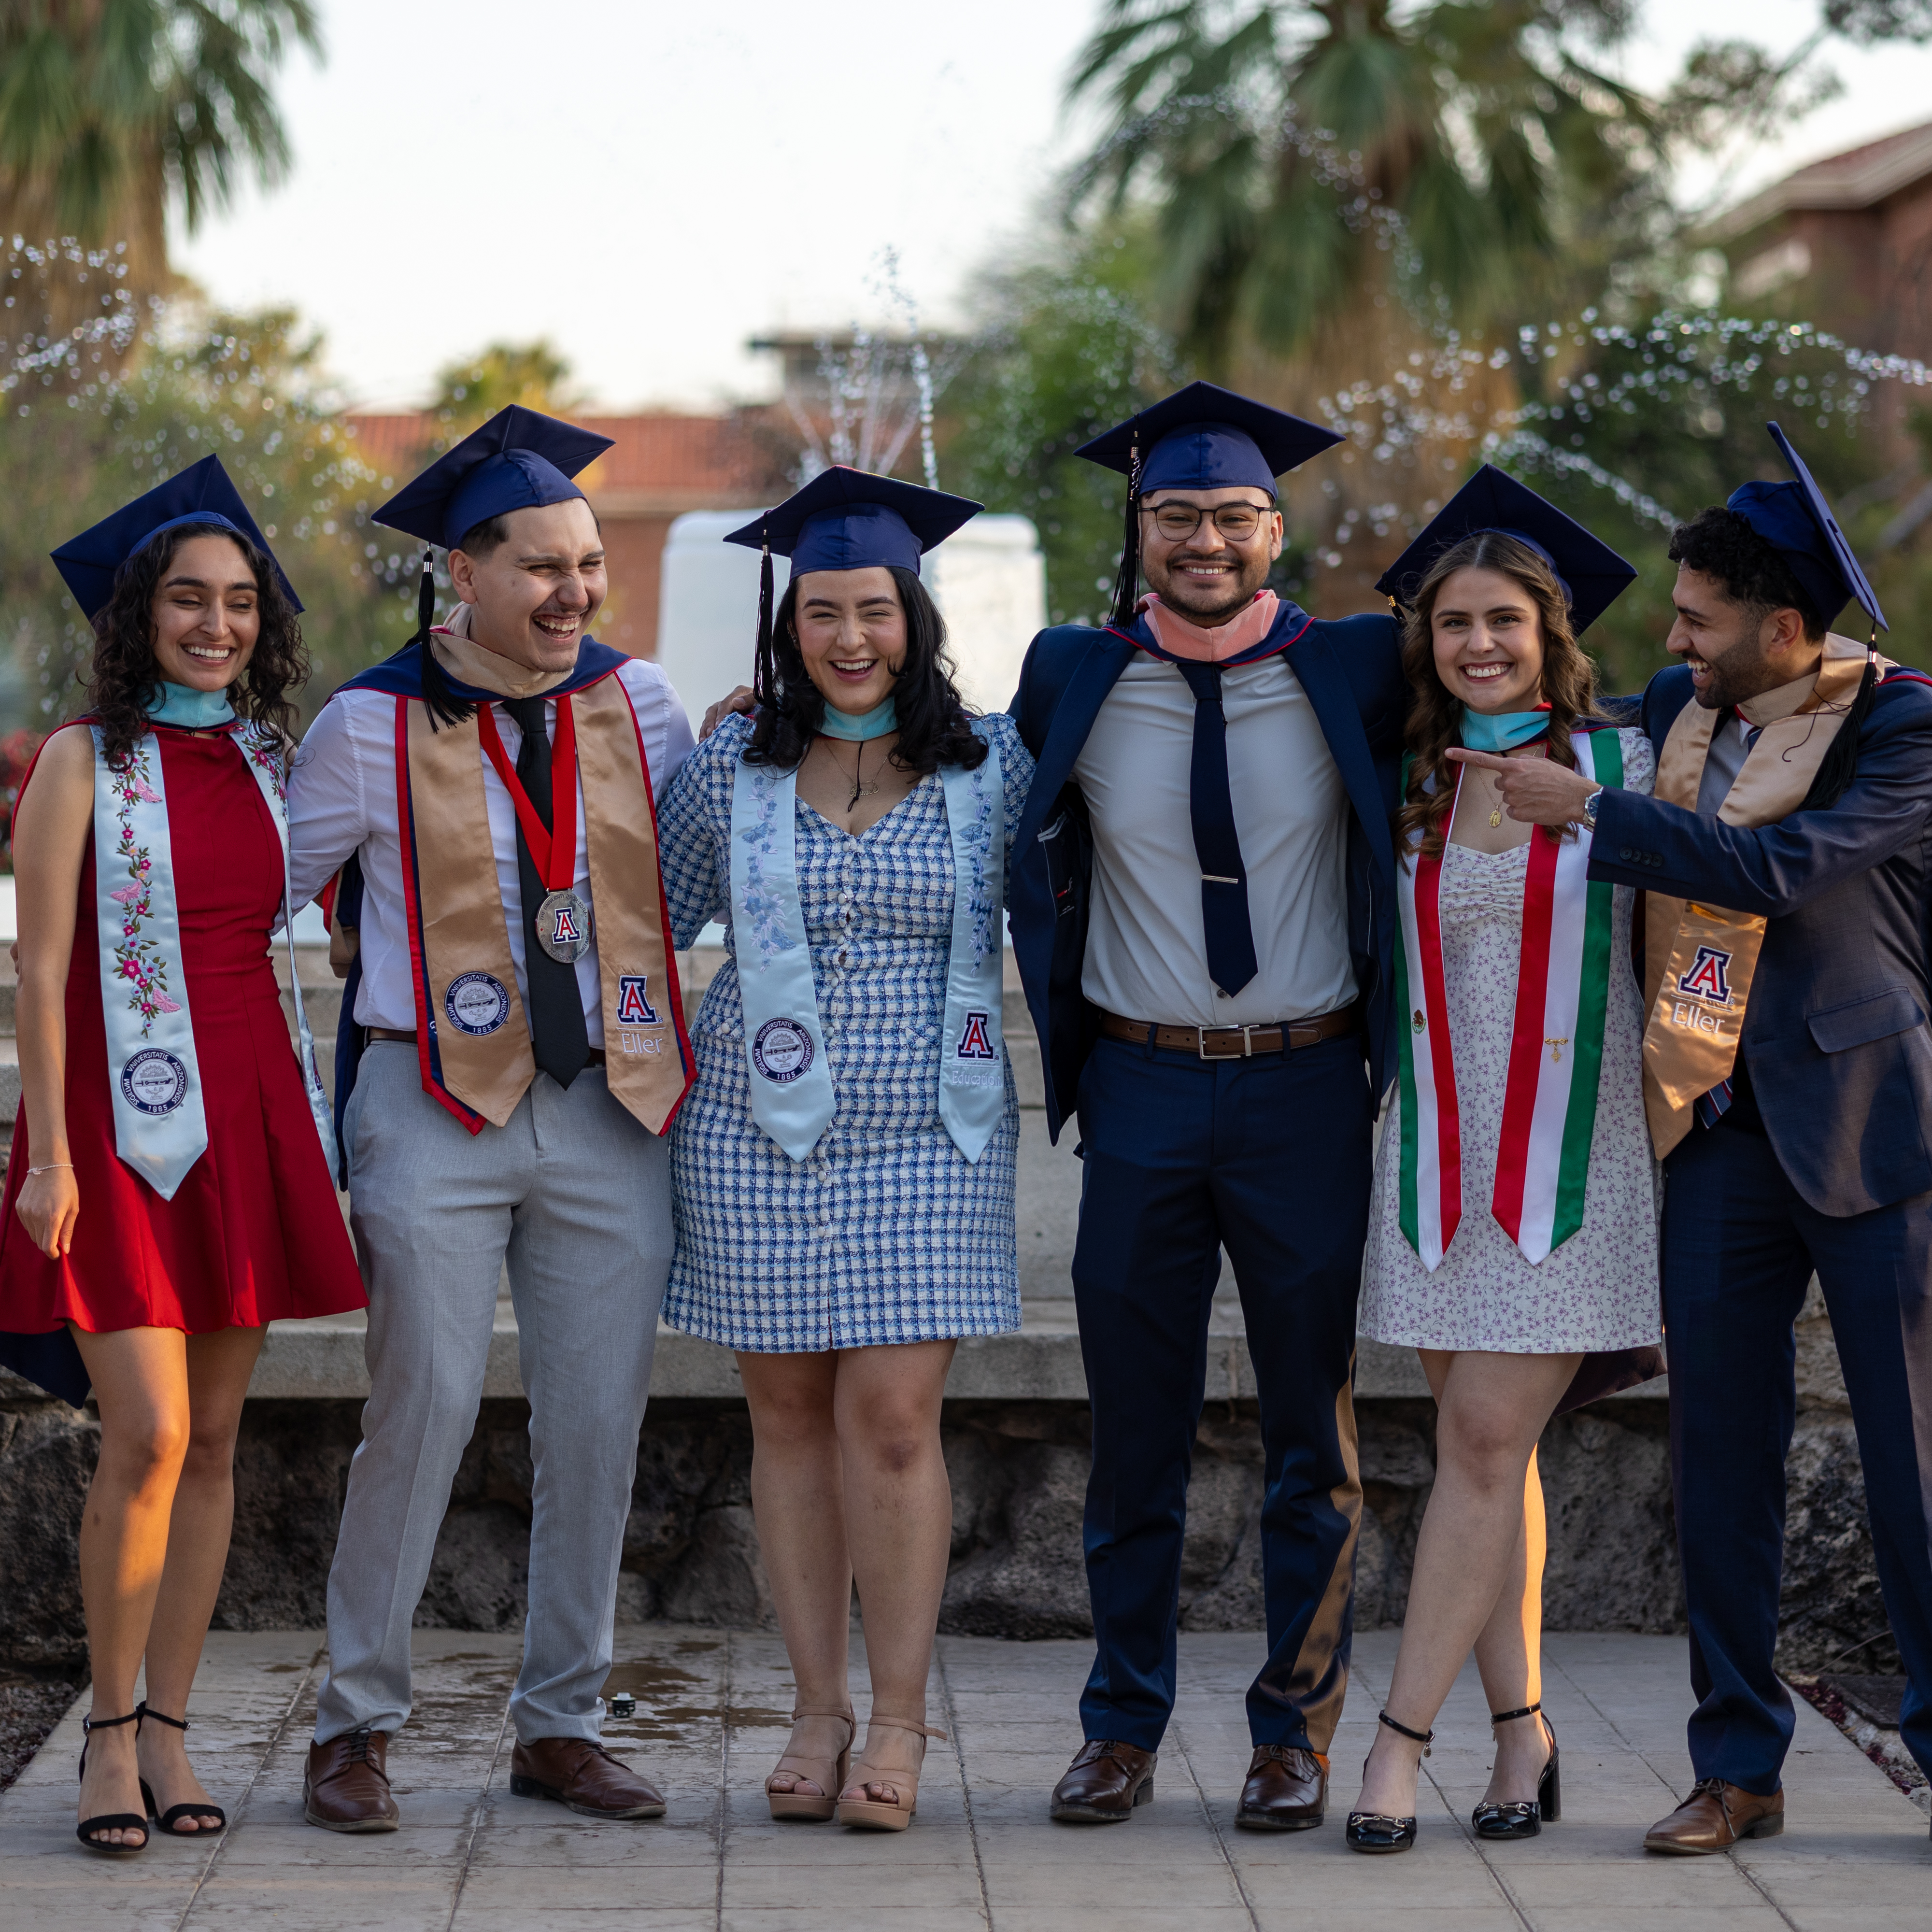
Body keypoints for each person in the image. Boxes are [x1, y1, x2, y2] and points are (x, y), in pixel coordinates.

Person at [1474, 422, 1932, 1854]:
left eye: (1696, 617)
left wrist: (1600, 816)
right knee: (1716, 1466)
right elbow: (1514, 689)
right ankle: (1736, 1764)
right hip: (1711, 1126)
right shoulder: (1679, 706)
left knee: (1916, 1464)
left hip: (1869, 1129)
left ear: (1782, 629)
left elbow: (1786, 872)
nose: (1669, 638)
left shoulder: (1903, 725)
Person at [285, 406, 696, 1832]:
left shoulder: (642, 708)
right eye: (541, 567)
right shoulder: (366, 722)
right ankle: (356, 1724)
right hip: (432, 1098)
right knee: (425, 1406)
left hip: (608, 1102)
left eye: (588, 564)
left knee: (598, 1419)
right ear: (464, 574)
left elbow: (701, 885)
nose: (574, 592)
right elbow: (256, 890)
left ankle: (562, 1725)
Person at [1007, 382, 1406, 1830]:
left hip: (1307, 1086)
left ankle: (1291, 1734)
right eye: (1176, 516)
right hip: (1145, 1092)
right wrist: (772, 716)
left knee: (1315, 1429)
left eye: (1233, 516)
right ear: (1139, 526)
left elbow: (1531, 692)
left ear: (1276, 527)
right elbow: (955, 762)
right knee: (1135, 1429)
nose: (1205, 541)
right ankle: (1120, 1724)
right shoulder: (1072, 674)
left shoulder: (1357, 667)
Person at [655, 467, 1032, 1832]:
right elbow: (658, 921)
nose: (850, 637)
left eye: (874, 610)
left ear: (913, 619)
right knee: (787, 1419)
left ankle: (900, 1720)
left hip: (934, 1129)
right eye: (823, 613)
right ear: (789, 625)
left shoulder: (995, 765)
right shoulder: (731, 768)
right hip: (755, 1127)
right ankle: (813, 1712)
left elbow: (1072, 912)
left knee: (890, 1416)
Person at [0, 459, 364, 1855]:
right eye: (186, 601)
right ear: (139, 616)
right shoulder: (85, 759)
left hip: (252, 1115)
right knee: (144, 1437)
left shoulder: (273, 763)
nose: (214, 624)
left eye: (236, 603)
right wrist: (46, 1154)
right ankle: (101, 1732)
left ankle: (171, 1727)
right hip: (118, 1120)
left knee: (213, 1441)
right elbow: (37, 969)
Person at [1348, 467, 1660, 1852]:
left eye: (1506, 623)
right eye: (1455, 623)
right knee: (1493, 1458)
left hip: (1567, 1172)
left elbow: (1761, 804)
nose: (1479, 643)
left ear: (1553, 637)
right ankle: (1523, 1738)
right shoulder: (1412, 779)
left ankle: (1397, 1745)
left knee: (1480, 1443)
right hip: (1431, 1169)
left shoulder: (1625, 768)